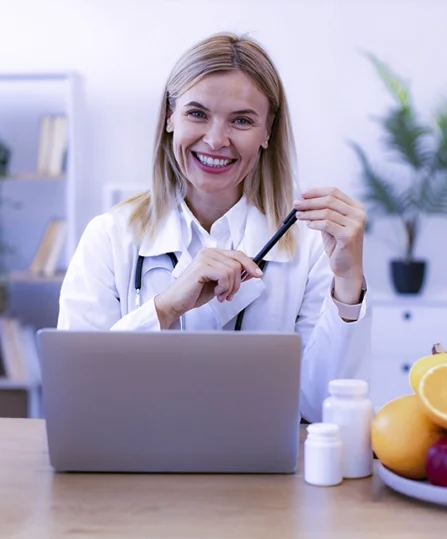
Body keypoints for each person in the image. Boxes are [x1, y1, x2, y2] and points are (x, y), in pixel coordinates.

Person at [56, 31, 372, 423]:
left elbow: (321, 408)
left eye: (241, 120)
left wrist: (347, 282)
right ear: (169, 117)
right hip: (135, 470)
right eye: (197, 113)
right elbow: (78, 394)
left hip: (263, 476)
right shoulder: (109, 236)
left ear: (267, 133)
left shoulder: (309, 245)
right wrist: (166, 308)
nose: (215, 140)